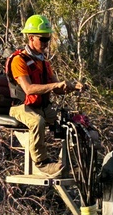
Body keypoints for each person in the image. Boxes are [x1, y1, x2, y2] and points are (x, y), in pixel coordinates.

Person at [7, 14, 84, 178]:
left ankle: (71, 161)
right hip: (21, 107)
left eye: (47, 39)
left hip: (41, 106)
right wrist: (55, 85)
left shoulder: (44, 62)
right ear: (31, 37)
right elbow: (28, 89)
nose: (45, 43)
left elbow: (56, 88)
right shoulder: (19, 60)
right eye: (42, 39)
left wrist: (70, 86)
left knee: (70, 121)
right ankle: (42, 163)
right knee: (37, 122)